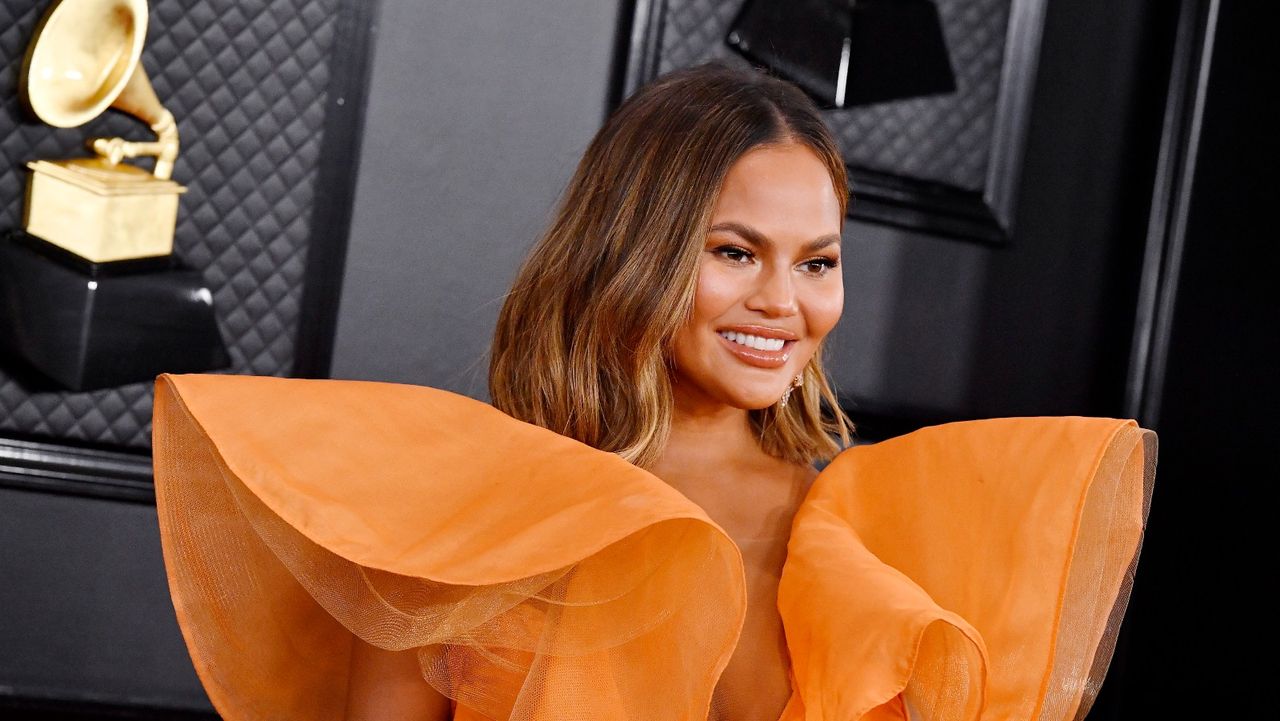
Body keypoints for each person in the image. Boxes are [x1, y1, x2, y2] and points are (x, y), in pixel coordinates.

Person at [151, 63, 1155, 721]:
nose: (782, 302)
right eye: (733, 252)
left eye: (816, 262)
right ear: (633, 254)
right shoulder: (479, 513)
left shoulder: (877, 530)